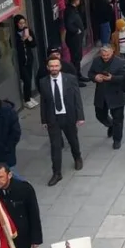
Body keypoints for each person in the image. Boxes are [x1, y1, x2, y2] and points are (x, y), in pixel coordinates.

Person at [38, 57, 85, 187]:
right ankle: (57, 173)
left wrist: (80, 116)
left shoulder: (70, 79)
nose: (54, 68)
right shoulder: (43, 82)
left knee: (73, 139)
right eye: (51, 66)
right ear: (48, 68)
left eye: (56, 66)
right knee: (55, 146)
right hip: (53, 118)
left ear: (60, 66)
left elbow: (77, 98)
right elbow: (43, 102)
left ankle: (77, 157)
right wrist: (44, 120)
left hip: (68, 115)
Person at [87, 46, 125, 149]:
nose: (105, 57)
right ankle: (110, 125)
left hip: (116, 95)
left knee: (118, 119)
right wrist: (95, 77)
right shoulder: (96, 60)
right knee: (100, 115)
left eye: (107, 55)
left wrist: (112, 78)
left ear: (112, 52)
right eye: (103, 55)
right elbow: (90, 73)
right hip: (101, 94)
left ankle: (117, 140)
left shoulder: (120, 62)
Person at [63, 0, 88, 85]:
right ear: (75, 0)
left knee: (78, 57)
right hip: (73, 39)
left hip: (77, 39)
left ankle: (79, 75)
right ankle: (75, 78)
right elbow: (68, 24)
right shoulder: (70, 11)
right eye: (79, 0)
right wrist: (76, 30)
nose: (79, 1)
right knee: (75, 59)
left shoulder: (73, 9)